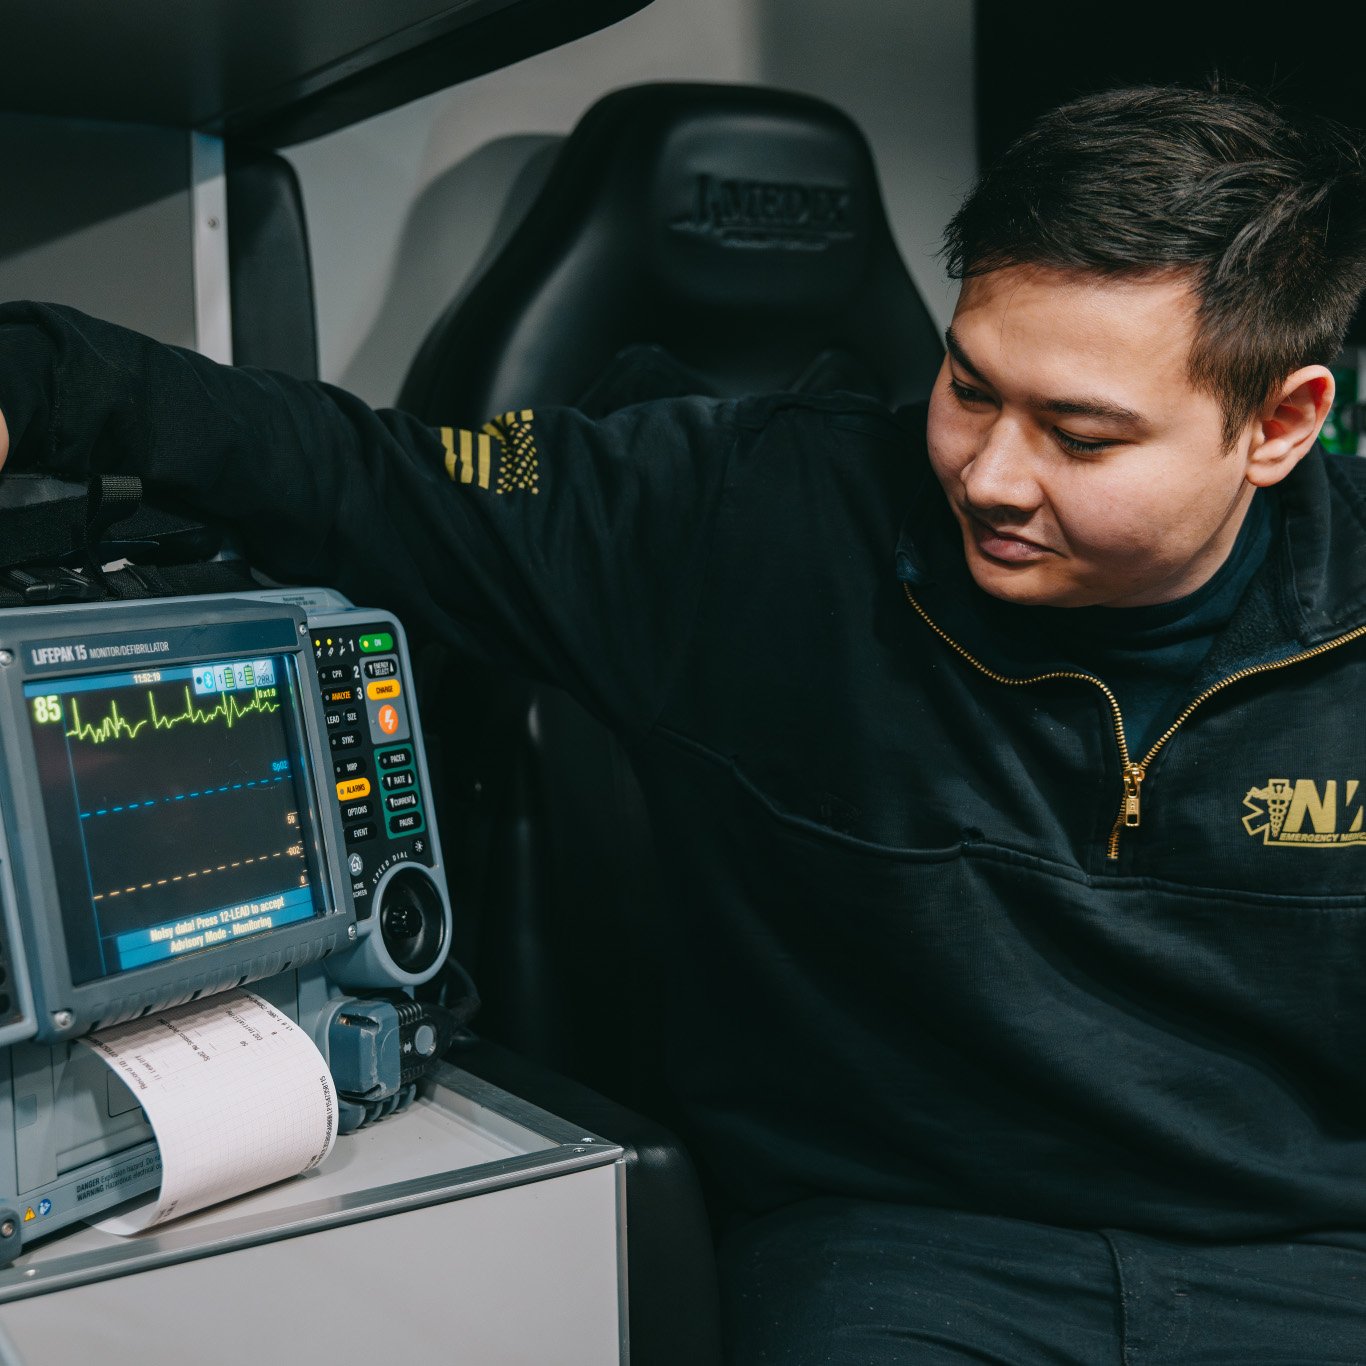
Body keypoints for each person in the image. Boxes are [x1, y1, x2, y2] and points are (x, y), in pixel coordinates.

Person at [2, 83, 1366, 1361]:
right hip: (908, 1254)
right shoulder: (745, 514)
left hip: (1308, 1258)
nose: (990, 476)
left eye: (1079, 436)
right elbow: (359, 470)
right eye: (967, 387)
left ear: (1279, 422)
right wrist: (35, 379)